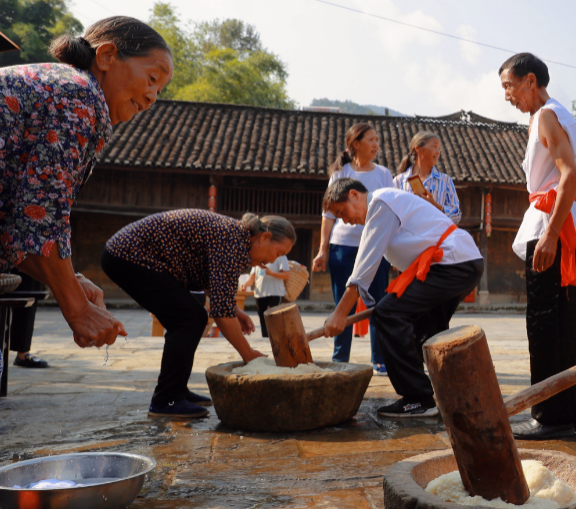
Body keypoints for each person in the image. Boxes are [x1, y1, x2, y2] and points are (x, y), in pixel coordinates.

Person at [1, 16, 172, 351]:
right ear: (106, 56)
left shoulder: (68, 90)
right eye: (152, 79)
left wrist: (72, 283)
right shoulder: (78, 95)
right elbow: (42, 216)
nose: (152, 97)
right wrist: (77, 307)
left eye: (159, 90)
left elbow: (15, 228)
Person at [102, 211, 296, 419]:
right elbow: (221, 313)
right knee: (189, 318)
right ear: (264, 238)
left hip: (129, 254)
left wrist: (235, 310)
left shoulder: (236, 239)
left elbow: (214, 287)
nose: (271, 261)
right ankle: (166, 400)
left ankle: (176, 390)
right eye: (277, 253)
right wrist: (248, 354)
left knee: (193, 310)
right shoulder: (234, 241)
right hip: (129, 255)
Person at [321, 179, 482, 417]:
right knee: (426, 332)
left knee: (387, 314)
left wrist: (340, 313)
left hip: (452, 262)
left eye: (342, 212)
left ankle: (417, 398)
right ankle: (454, 392)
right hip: (461, 261)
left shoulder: (381, 203)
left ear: (354, 194)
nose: (345, 221)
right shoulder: (386, 205)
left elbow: (363, 268)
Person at [499, 52, 576, 440]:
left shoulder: (546, 116)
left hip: (557, 224)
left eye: (509, 86)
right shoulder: (555, 114)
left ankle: (552, 417)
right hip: (573, 224)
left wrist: (552, 234)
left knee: (545, 324)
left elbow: (568, 176)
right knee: (568, 327)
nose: (507, 95)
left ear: (531, 81)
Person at [311, 123, 394, 371]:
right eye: (371, 139)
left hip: (377, 247)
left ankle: (380, 359)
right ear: (355, 144)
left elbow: (393, 208)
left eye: (378, 140)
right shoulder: (340, 173)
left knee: (377, 303)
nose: (377, 144)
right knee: (342, 304)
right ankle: (340, 358)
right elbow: (329, 215)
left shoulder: (384, 174)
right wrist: (322, 249)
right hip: (343, 245)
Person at [394, 131, 461, 223]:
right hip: (407, 236)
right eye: (434, 147)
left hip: (435, 236)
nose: (438, 152)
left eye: (439, 148)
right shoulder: (399, 181)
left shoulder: (445, 181)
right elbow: (391, 213)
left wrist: (435, 205)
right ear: (418, 148)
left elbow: (457, 215)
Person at [242, 254, 292, 338]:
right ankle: (265, 340)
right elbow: (252, 277)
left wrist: (270, 273)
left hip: (275, 293)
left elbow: (286, 275)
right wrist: (245, 284)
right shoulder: (258, 258)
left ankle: (275, 339)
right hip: (259, 294)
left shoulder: (280, 256)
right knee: (263, 320)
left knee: (272, 318)